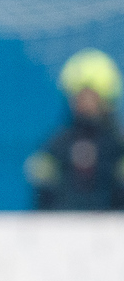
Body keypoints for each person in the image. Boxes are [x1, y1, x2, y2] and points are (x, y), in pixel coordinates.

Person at [26, 48, 124, 210]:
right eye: (79, 97)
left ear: (106, 100)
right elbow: (42, 200)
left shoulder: (117, 146)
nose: (84, 105)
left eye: (91, 98)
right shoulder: (55, 146)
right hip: (62, 230)